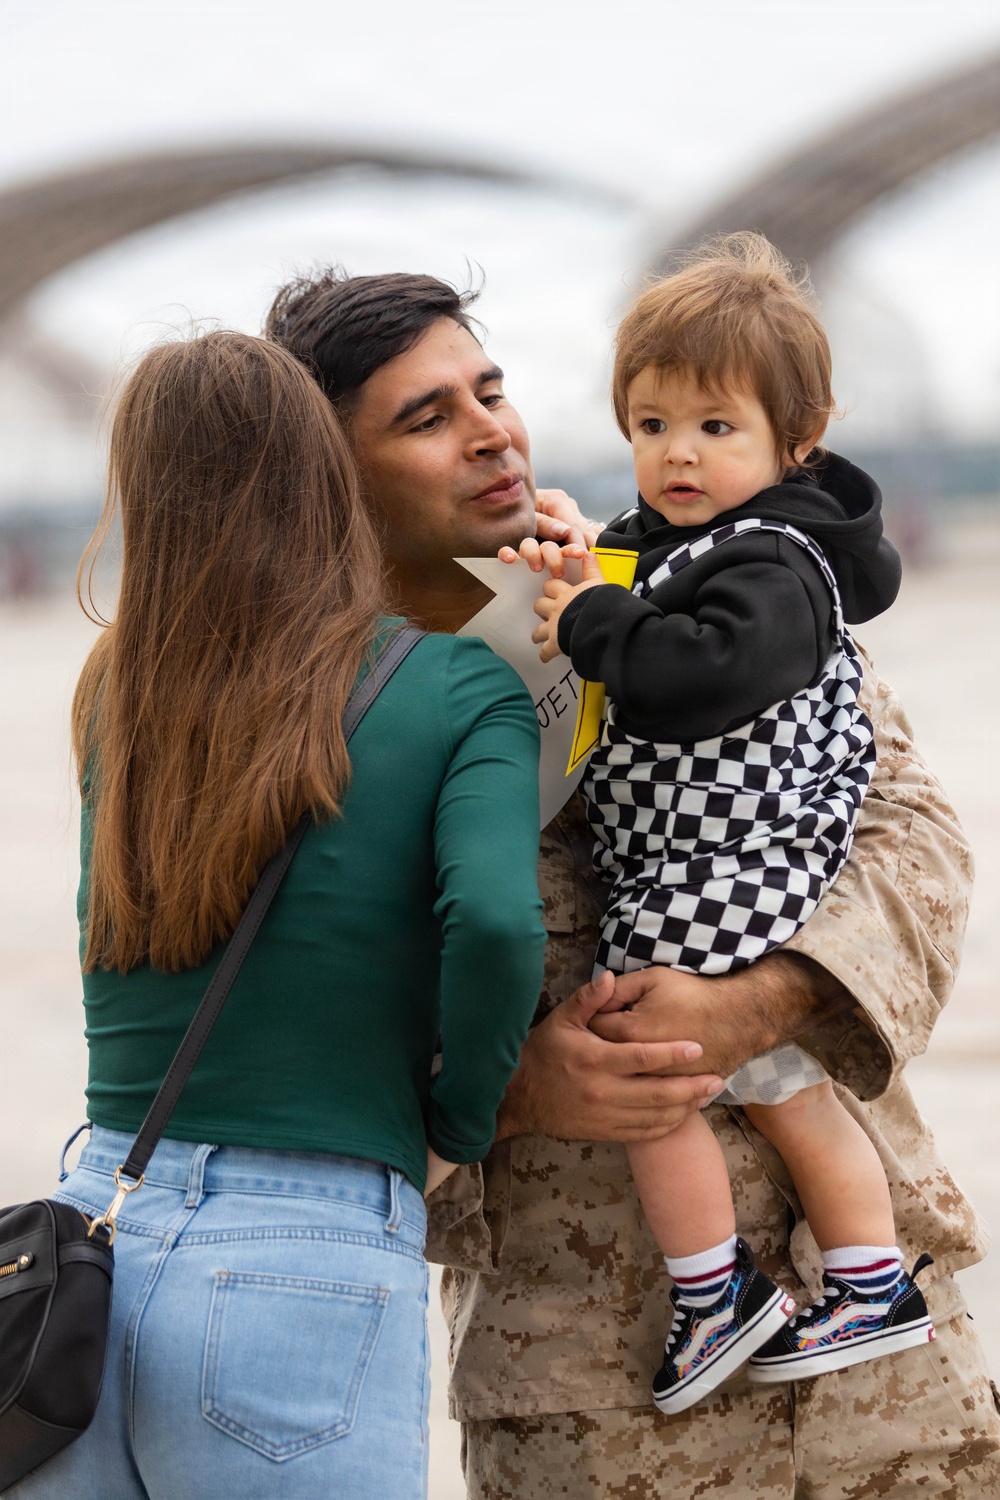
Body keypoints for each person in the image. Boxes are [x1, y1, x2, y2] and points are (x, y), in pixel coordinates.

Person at [266, 270, 999, 1496]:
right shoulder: (313, 713)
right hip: (596, 1399)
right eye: (427, 416)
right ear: (324, 468)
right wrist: (510, 1090)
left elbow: (914, 837)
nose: (492, 428)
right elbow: (276, 1057)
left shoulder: (691, 577)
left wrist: (758, 1002)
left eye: (489, 390)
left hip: (879, 1366)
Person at [11, 331, 550, 1500]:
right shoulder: (460, 685)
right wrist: (456, 1124)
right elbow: (502, 927)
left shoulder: (117, 687)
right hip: (304, 1256)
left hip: (92, 1237)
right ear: (326, 470)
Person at [529, 233, 933, 1414]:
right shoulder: (687, 549)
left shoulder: (774, 561)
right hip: (719, 866)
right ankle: (867, 1276)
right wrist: (580, 567)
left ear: (795, 442)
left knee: (642, 1055)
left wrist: (595, 623)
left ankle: (713, 1293)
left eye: (715, 427)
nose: (677, 454)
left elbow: (698, 672)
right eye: (650, 426)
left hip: (725, 861)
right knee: (777, 1074)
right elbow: (629, 586)